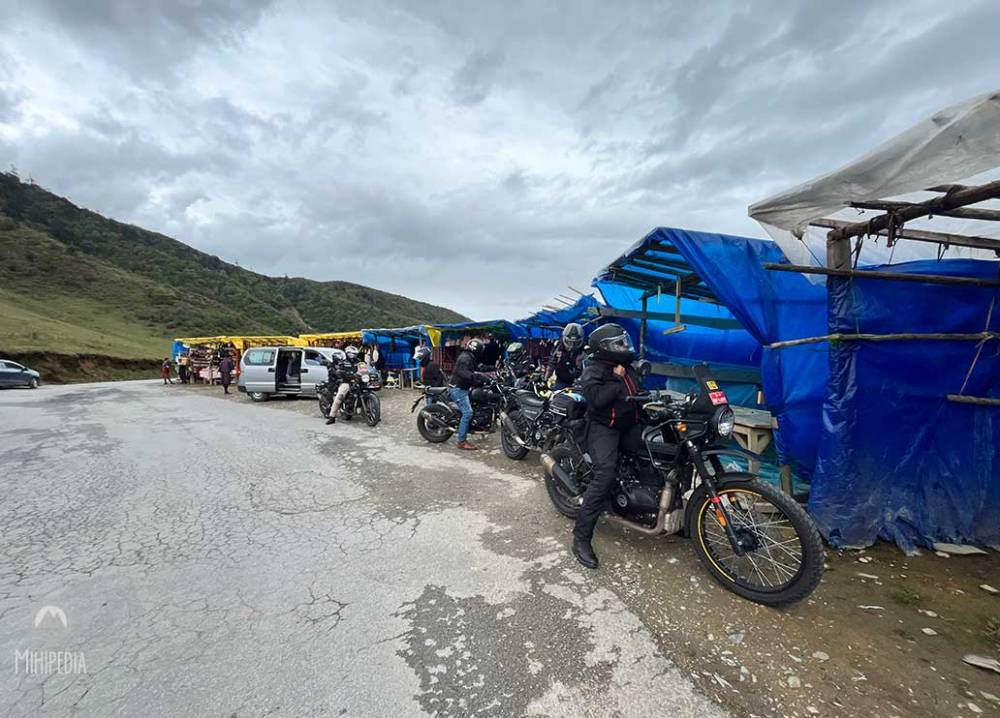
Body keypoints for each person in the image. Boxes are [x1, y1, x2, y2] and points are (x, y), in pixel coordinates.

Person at [572, 323, 643, 569]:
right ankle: (581, 538)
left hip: (628, 423)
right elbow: (597, 399)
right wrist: (616, 379)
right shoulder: (594, 369)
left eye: (625, 342)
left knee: (652, 457)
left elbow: (637, 392)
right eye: (620, 344)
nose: (625, 347)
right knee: (605, 474)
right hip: (603, 427)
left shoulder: (627, 367)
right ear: (605, 347)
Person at [450, 338, 485, 450]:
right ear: (477, 349)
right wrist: (477, 377)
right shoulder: (465, 358)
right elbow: (463, 373)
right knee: (468, 413)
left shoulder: (469, 357)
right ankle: (461, 442)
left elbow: (477, 370)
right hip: (458, 389)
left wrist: (487, 374)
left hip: (463, 388)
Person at [546, 323, 585, 390]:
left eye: (576, 343)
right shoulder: (558, 347)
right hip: (561, 381)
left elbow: (589, 367)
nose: (572, 345)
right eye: (569, 342)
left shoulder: (585, 350)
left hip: (579, 382)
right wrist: (546, 378)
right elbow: (552, 363)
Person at [324, 347, 353, 425]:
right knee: (338, 398)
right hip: (340, 382)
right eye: (351, 354)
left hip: (353, 381)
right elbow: (336, 372)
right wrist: (341, 373)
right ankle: (332, 416)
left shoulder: (356, 362)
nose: (352, 355)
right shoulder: (336, 364)